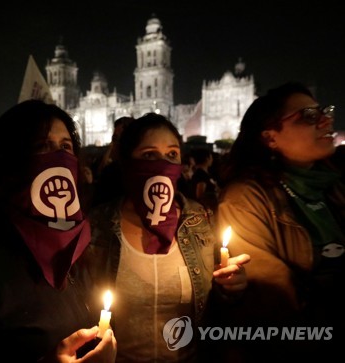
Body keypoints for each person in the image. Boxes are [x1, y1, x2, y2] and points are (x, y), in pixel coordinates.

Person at [0, 99, 117, 361]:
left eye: (65, 147)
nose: (57, 159)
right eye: (41, 147)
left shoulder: (77, 244)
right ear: (7, 160)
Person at [84, 113, 250, 362]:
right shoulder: (97, 226)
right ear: (127, 162)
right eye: (149, 155)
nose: (162, 163)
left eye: (172, 154)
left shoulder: (200, 222)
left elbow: (217, 302)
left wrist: (232, 286)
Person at [217, 81, 345, 361]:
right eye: (308, 116)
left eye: (324, 111)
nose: (326, 119)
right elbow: (274, 302)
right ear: (270, 137)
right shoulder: (246, 200)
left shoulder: (334, 187)